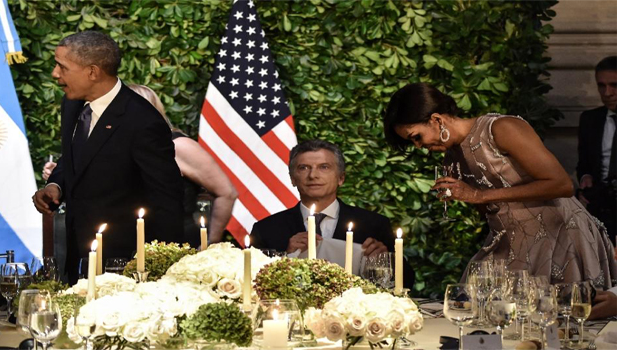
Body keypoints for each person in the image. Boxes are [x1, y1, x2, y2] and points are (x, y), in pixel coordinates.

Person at [384, 83, 617, 288]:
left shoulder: (499, 128)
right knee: (484, 310)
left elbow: (562, 185)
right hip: (511, 240)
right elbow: (491, 210)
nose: (418, 146)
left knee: (563, 323)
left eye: (416, 137)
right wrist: (463, 197)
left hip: (559, 234)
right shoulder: (451, 158)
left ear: (436, 120)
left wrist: (479, 194)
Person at [31, 31, 184, 284]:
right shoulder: (72, 103)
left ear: (92, 72)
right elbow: (75, 155)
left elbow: (167, 199)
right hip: (77, 258)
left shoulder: (142, 120)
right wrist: (55, 185)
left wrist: (163, 273)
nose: (55, 74)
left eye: (62, 67)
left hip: (123, 268)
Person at [251, 140, 415, 287]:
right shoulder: (266, 229)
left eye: (324, 167)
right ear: (293, 178)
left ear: (341, 178)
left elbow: (407, 281)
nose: (313, 175)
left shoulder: (374, 224)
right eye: (303, 168)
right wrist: (285, 258)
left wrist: (384, 261)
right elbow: (251, 283)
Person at [127, 84, 238, 245]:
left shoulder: (179, 146)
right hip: (133, 240)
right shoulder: (123, 146)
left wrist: (211, 241)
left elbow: (227, 193)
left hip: (179, 241)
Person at [577, 56, 617, 243]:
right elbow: (584, 163)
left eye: (614, 85)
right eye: (601, 86)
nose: (607, 93)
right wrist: (585, 176)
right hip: (599, 209)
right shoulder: (590, 119)